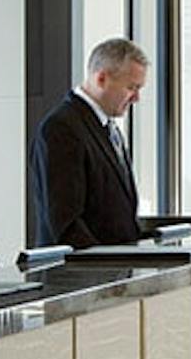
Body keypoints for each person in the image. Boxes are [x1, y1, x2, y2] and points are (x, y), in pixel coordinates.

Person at [31, 37, 150, 248]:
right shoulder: (61, 128)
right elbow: (65, 222)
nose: (136, 98)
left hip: (114, 271)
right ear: (102, 78)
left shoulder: (109, 128)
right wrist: (107, 266)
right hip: (81, 275)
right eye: (131, 87)